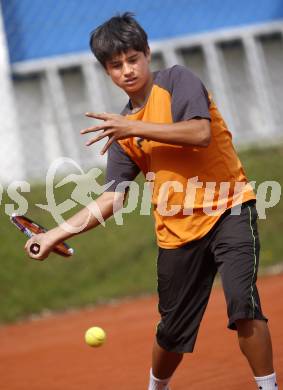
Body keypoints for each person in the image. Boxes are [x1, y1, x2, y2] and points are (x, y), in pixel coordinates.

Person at [25, 12, 278, 390]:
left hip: (230, 208)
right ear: (107, 72)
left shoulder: (178, 81)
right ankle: (157, 386)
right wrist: (54, 235)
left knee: (244, 305)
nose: (127, 70)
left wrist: (133, 126)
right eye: (116, 65)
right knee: (171, 333)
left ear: (147, 54)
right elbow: (113, 198)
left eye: (133, 58)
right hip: (176, 233)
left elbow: (199, 133)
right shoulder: (121, 132)